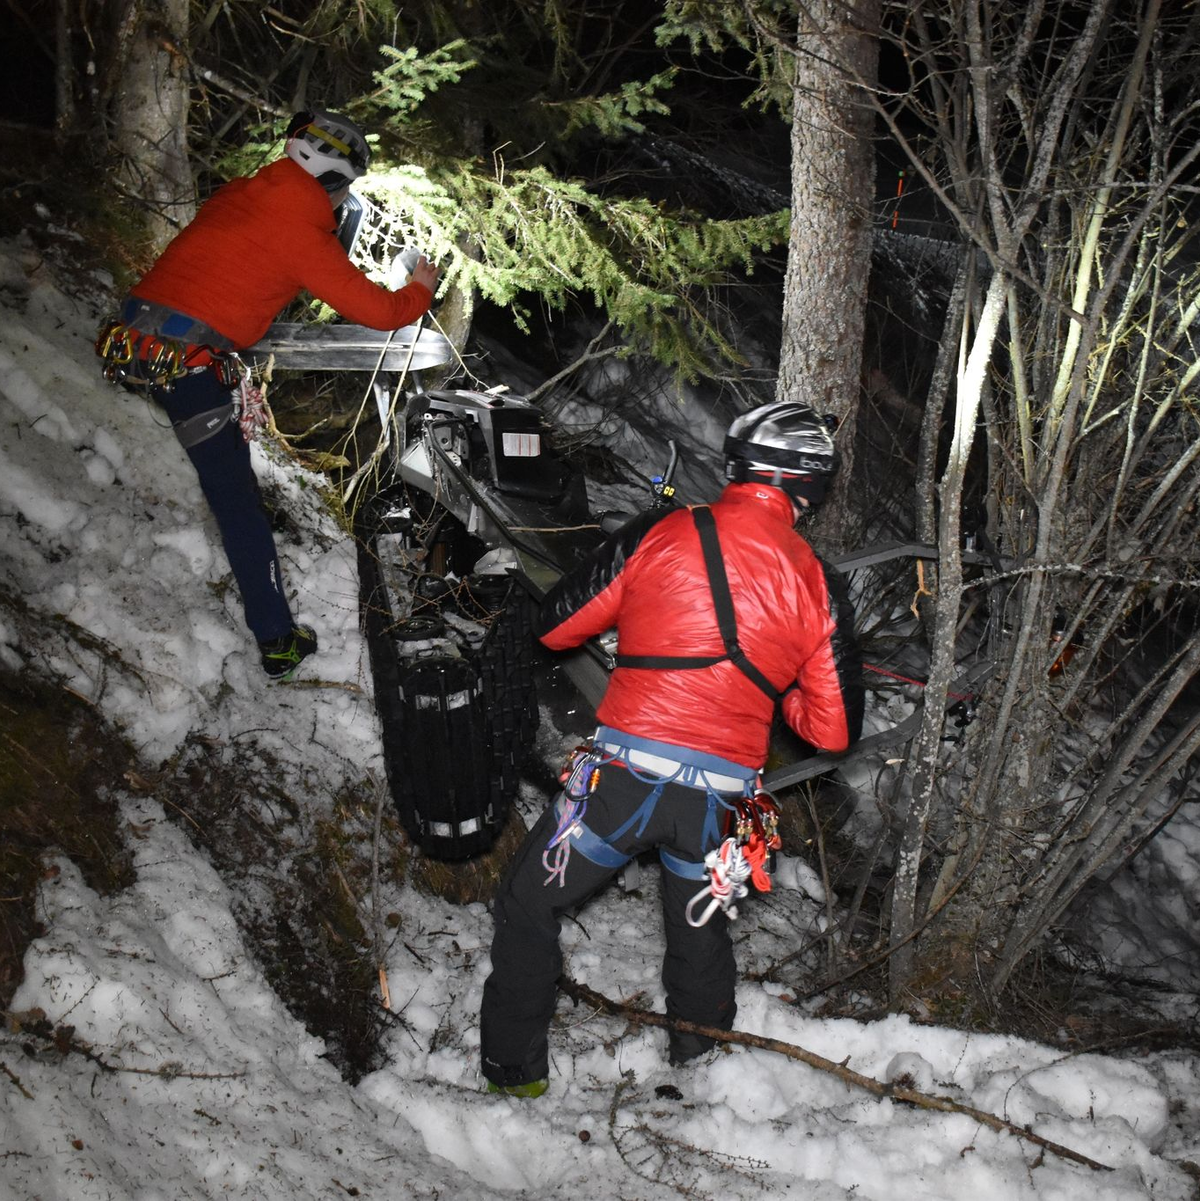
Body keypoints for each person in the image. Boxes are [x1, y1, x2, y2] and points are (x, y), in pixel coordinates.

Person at [479, 401, 864, 1097]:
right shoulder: (819, 583)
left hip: (621, 783)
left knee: (527, 901)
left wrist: (649, 621)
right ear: (810, 486)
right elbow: (832, 733)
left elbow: (557, 625)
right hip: (717, 806)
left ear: (738, 464)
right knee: (699, 938)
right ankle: (702, 1071)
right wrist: (778, 692)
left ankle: (514, 1074)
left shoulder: (665, 531)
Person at [96, 109, 440, 680]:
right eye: (344, 188)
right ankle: (278, 641)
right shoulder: (301, 231)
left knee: (231, 486)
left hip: (144, 343)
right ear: (333, 180)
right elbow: (382, 312)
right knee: (237, 503)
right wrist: (421, 287)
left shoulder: (238, 194)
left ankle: (273, 625)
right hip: (186, 365)